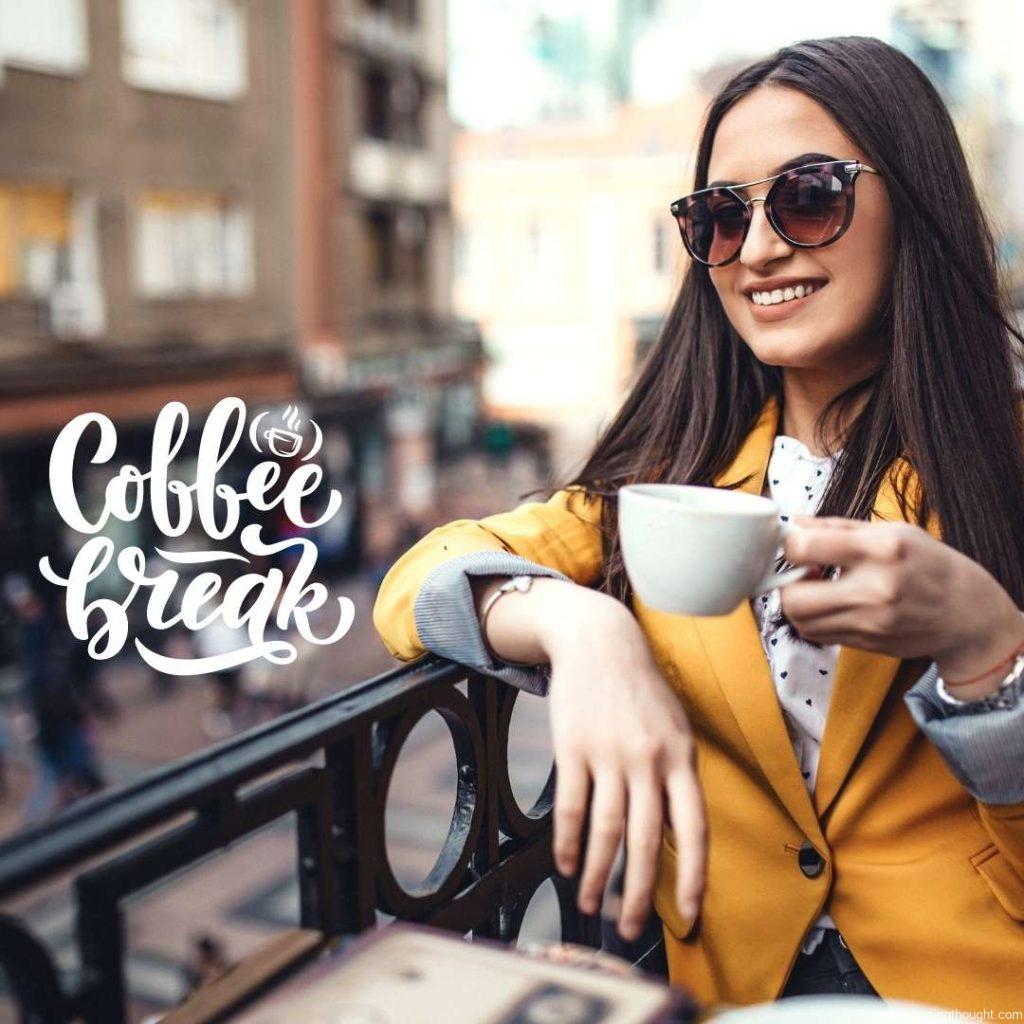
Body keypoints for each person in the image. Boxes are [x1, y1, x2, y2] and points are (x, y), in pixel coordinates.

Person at [373, 37, 1024, 1011]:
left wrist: (987, 653)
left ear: (915, 202)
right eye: (719, 217)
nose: (758, 249)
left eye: (808, 196)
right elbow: (416, 583)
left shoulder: (1002, 457)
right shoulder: (671, 477)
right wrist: (578, 626)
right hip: (729, 993)